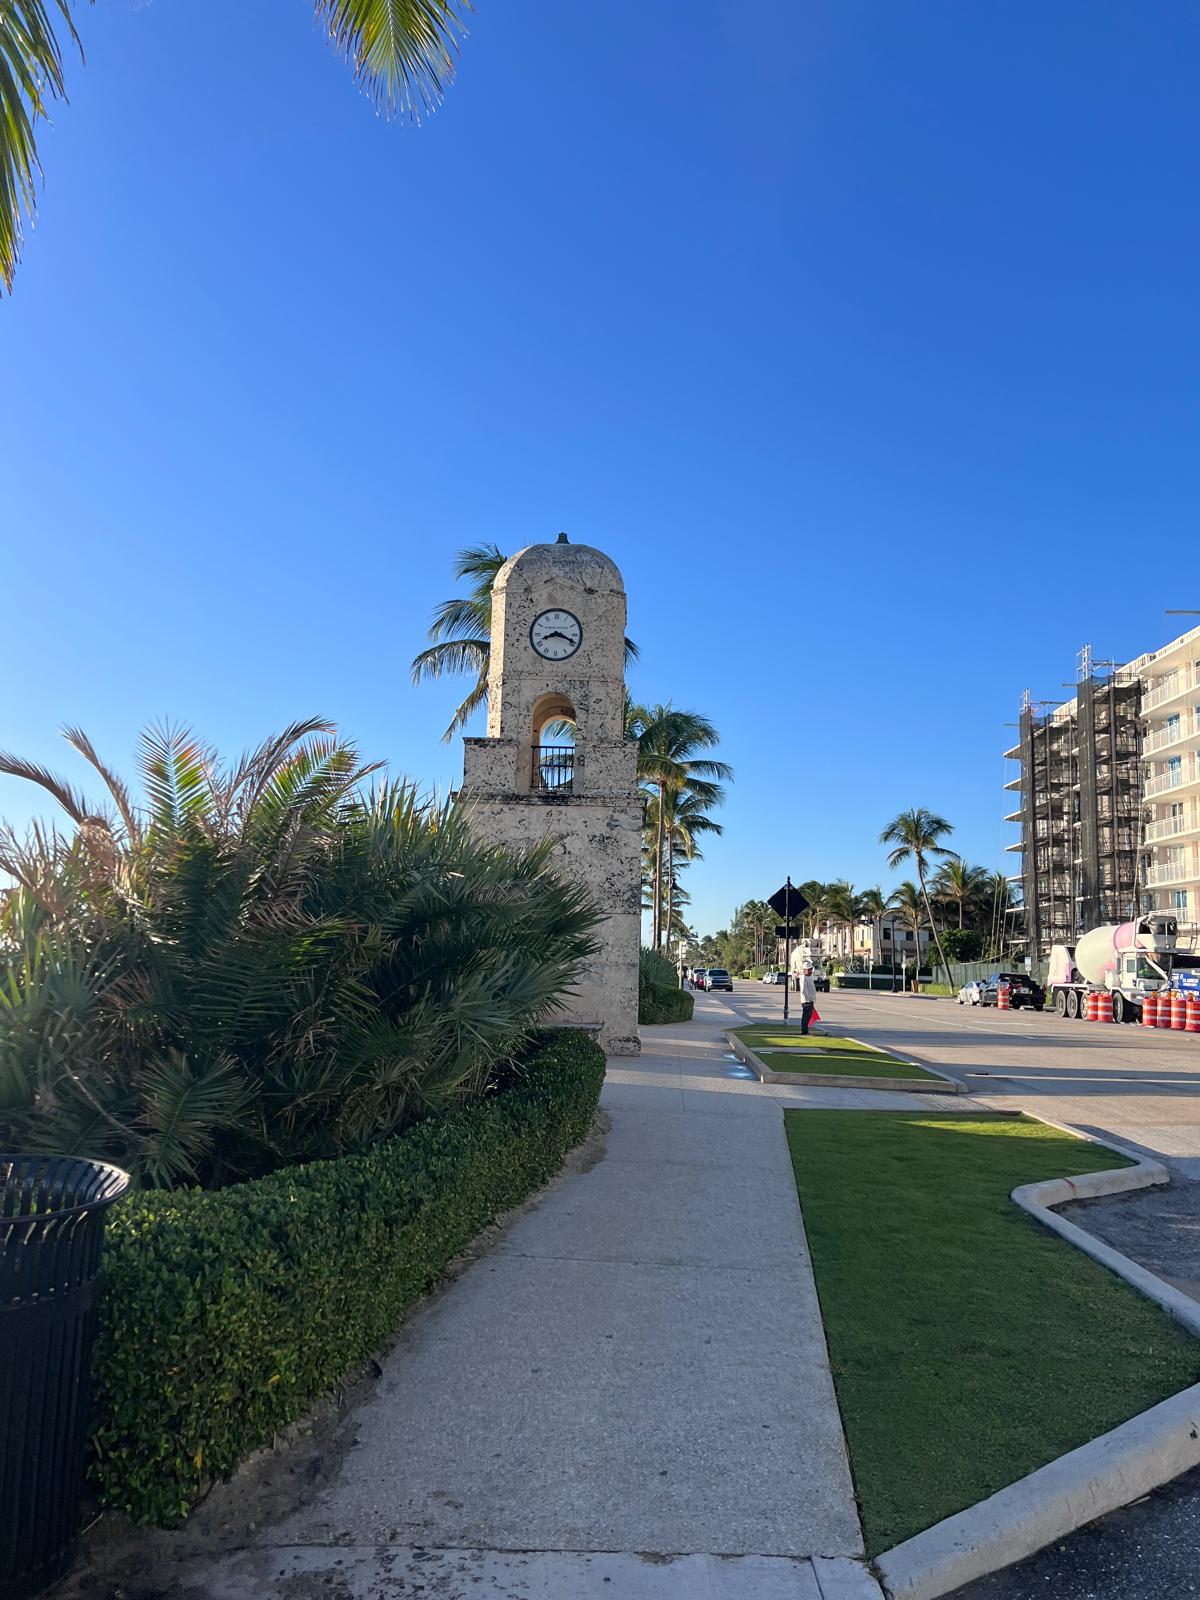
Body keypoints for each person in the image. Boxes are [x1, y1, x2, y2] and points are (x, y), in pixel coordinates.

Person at [797, 962, 818, 1035]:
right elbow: (803, 990)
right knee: (806, 1016)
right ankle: (804, 1031)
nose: (811, 971)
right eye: (809, 970)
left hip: (810, 1000)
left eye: (811, 969)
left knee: (808, 1016)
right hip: (807, 1001)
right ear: (805, 970)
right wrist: (808, 1000)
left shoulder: (809, 977)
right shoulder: (804, 978)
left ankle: (806, 1030)